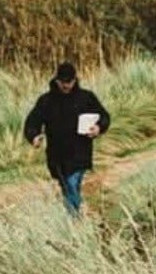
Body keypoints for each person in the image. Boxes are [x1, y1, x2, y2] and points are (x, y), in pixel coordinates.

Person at [24, 62, 110, 216]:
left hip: (80, 153)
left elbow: (104, 116)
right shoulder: (46, 101)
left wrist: (98, 127)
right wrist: (34, 136)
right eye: (63, 82)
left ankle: (75, 221)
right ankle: (75, 215)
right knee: (66, 186)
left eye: (69, 82)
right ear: (57, 81)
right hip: (56, 156)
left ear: (75, 80)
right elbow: (32, 121)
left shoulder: (86, 98)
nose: (66, 85)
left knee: (72, 183)